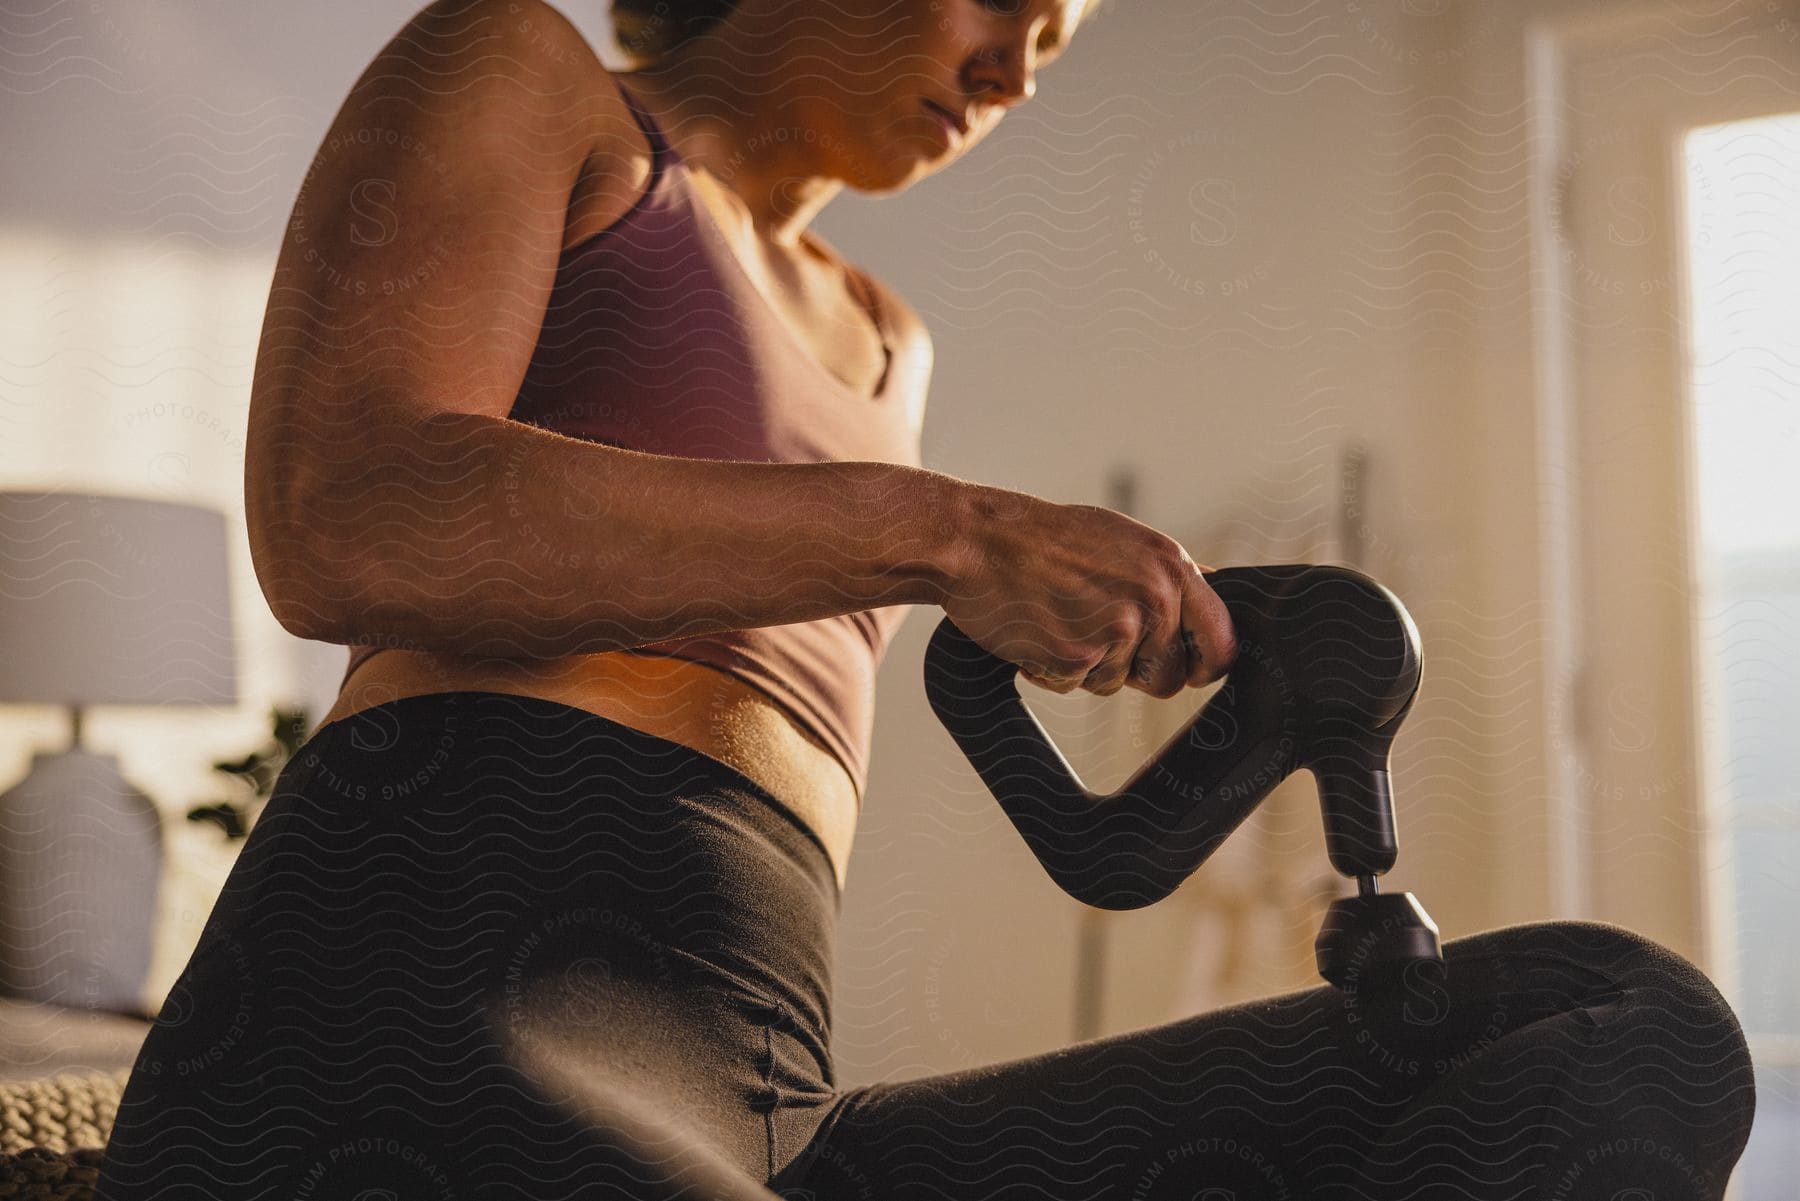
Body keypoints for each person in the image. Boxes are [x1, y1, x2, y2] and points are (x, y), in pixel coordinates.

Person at [95, 0, 1755, 1197]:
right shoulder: (522, 70)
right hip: (430, 983)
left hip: (758, 1074)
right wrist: (948, 536)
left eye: (1059, 34)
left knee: (1628, 1019)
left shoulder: (890, 337)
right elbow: (344, 516)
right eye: (1004, 1)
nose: (1016, 68)